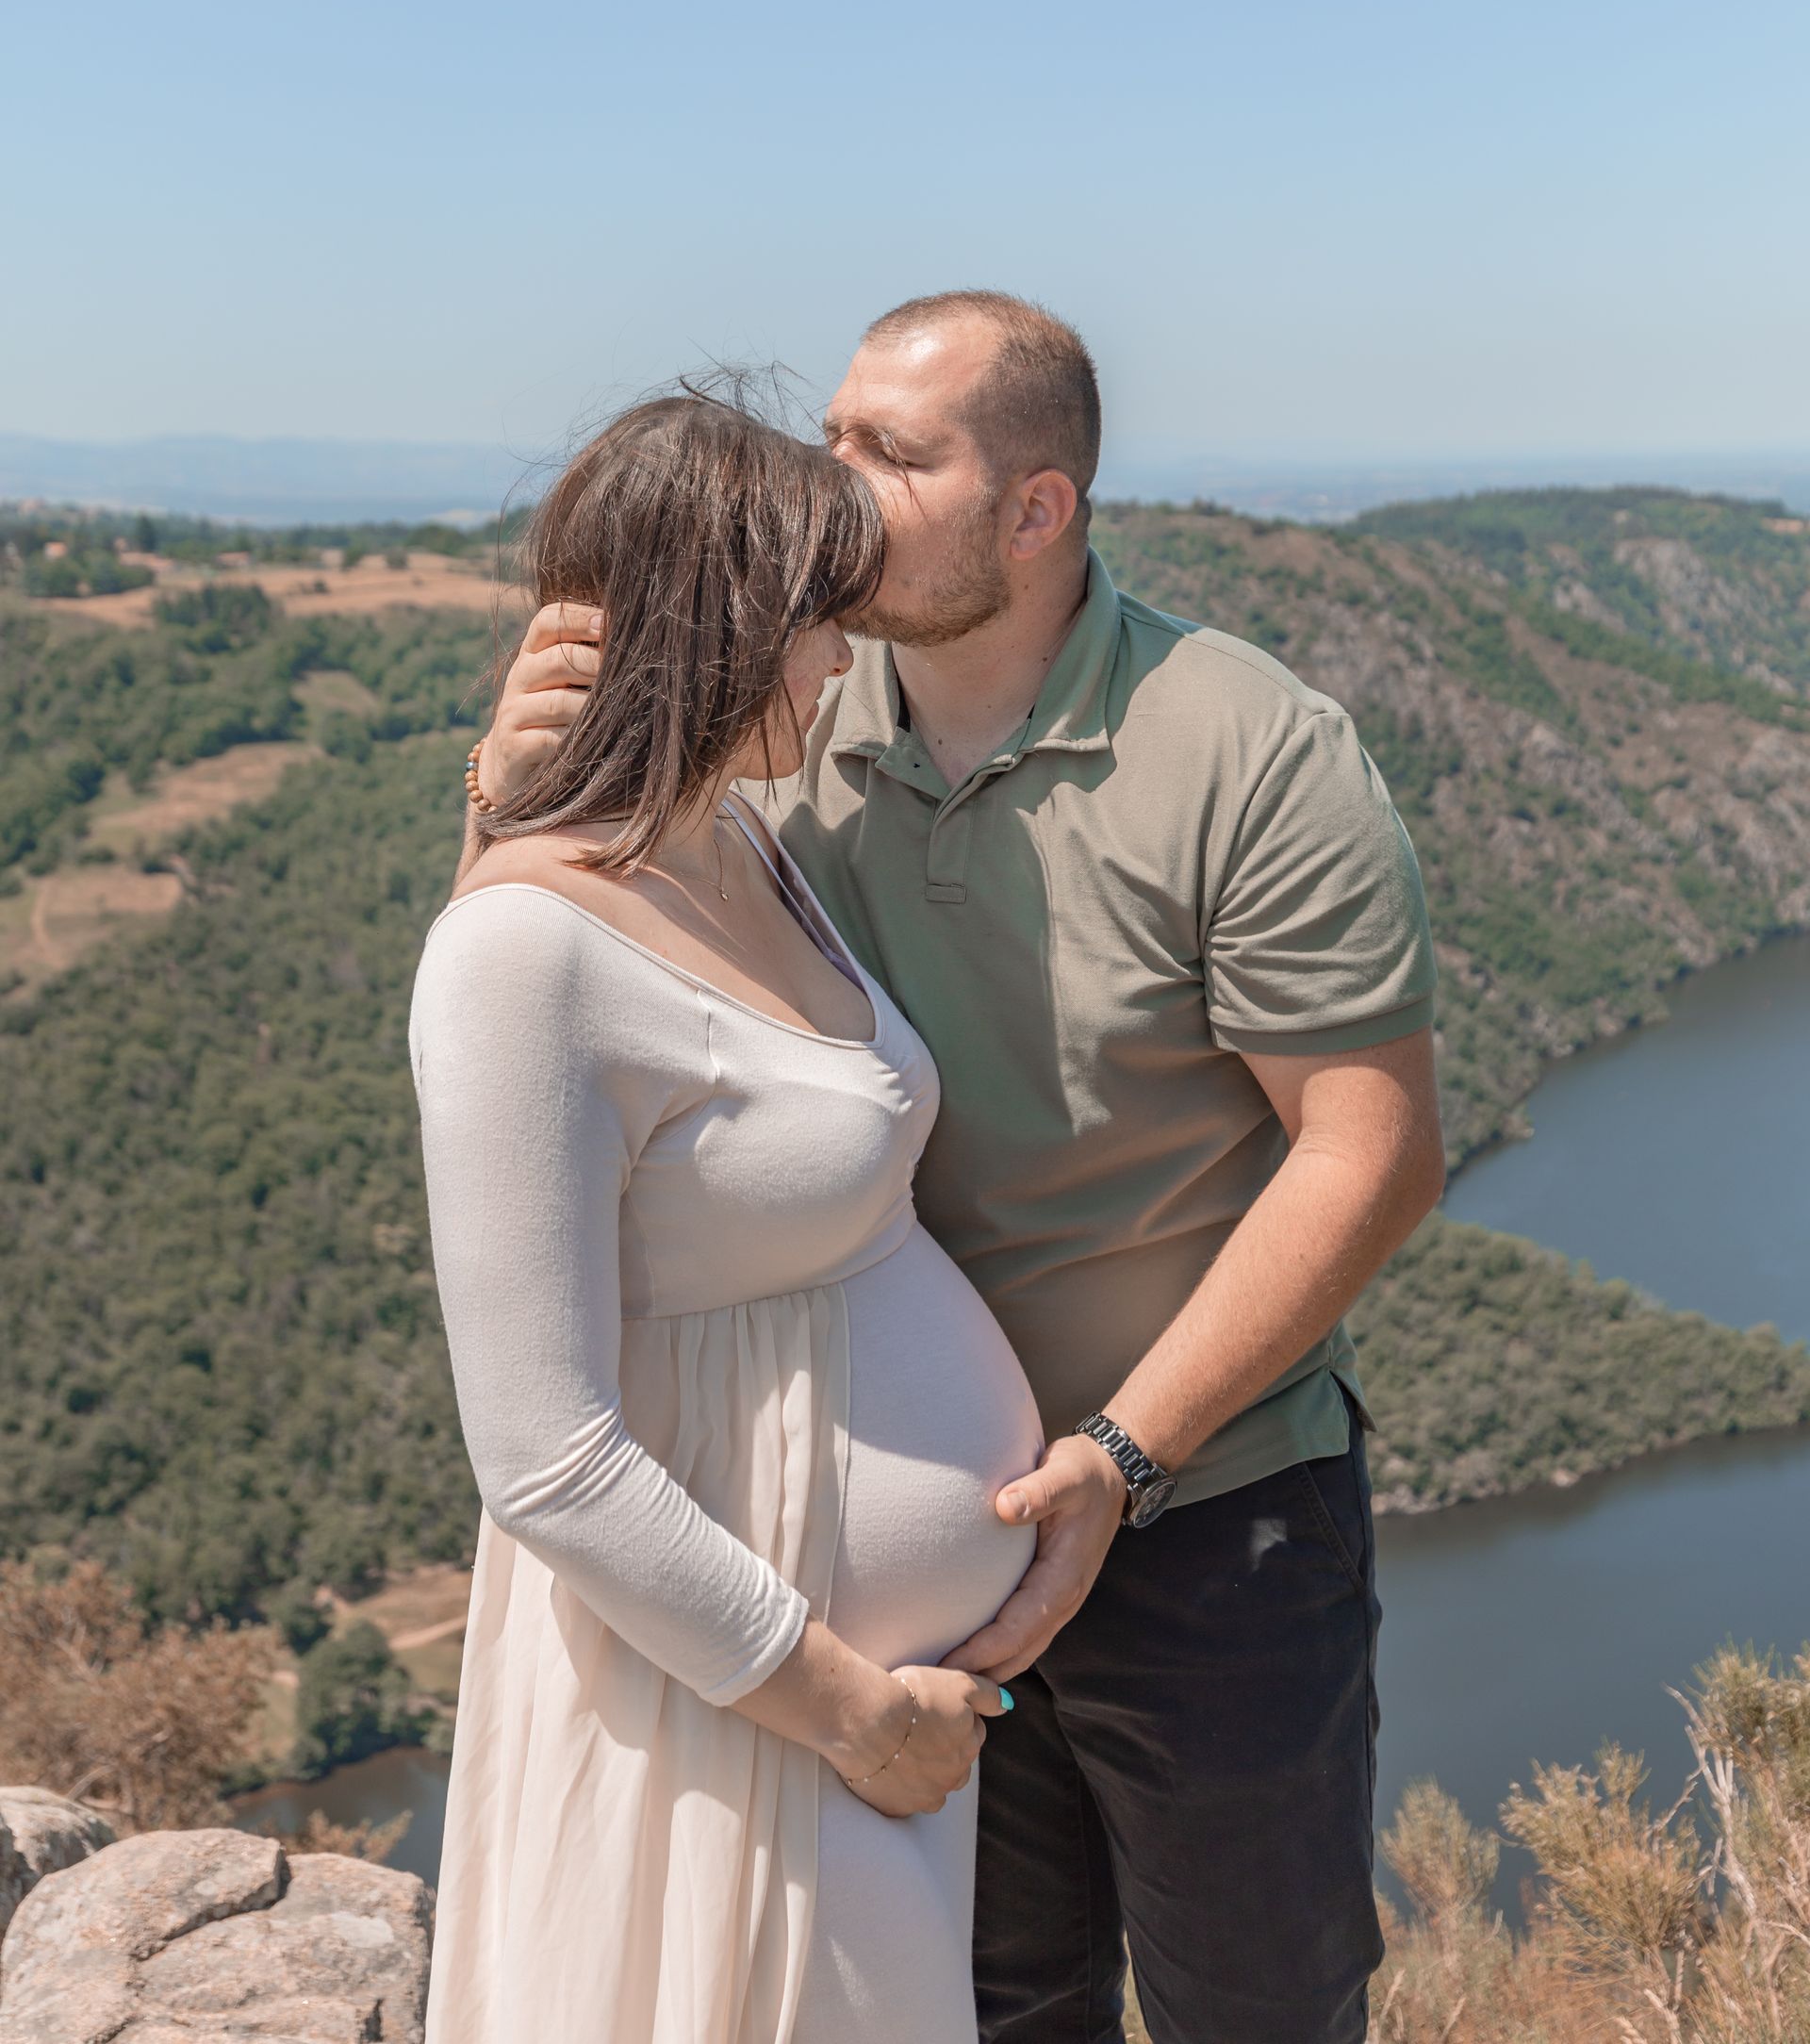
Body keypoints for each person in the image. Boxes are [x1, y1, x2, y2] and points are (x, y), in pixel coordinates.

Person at [479, 292, 1447, 2044]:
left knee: (1260, 2006)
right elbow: (568, 985)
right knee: (991, 2010)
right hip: (890, 1572)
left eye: (893, 454)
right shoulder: (787, 727)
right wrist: (509, 790)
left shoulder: (1241, 745)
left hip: (1209, 1520)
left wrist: (1121, 1460)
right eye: (834, 437)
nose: (834, 488)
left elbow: (1368, 1152)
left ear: (1036, 507)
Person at [412, 387, 1040, 2044]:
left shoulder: (743, 845)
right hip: (750, 1706)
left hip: (842, 1709)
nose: (844, 665)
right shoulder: (516, 952)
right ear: (715, 628)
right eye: (816, 627)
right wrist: (853, 1717)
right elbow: (544, 1456)